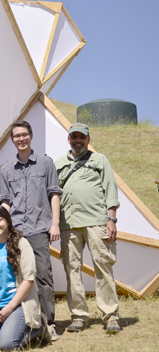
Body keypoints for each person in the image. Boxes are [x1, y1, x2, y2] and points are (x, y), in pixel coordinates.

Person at [0, 120, 62, 341]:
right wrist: (1, 229)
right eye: (17, 136)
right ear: (12, 140)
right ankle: (21, 320)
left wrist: (55, 223)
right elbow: (5, 201)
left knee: (43, 275)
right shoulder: (6, 169)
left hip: (39, 228)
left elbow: (54, 193)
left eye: (24, 134)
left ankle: (48, 322)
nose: (21, 139)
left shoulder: (45, 163)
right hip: (15, 231)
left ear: (31, 135)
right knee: (16, 277)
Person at [55, 123, 121, 334]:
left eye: (81, 137)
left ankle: (110, 315)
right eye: (73, 137)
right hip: (68, 224)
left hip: (97, 221)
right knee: (71, 270)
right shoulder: (59, 164)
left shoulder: (99, 160)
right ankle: (79, 316)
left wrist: (111, 219)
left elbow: (110, 189)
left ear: (88, 139)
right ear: (68, 140)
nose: (77, 140)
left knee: (103, 267)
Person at [0, 204, 51, 352]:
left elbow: (29, 280)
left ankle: (38, 329)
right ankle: (7, 328)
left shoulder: (22, 244)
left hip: (19, 304)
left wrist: (10, 308)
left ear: (8, 221)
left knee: (7, 345)